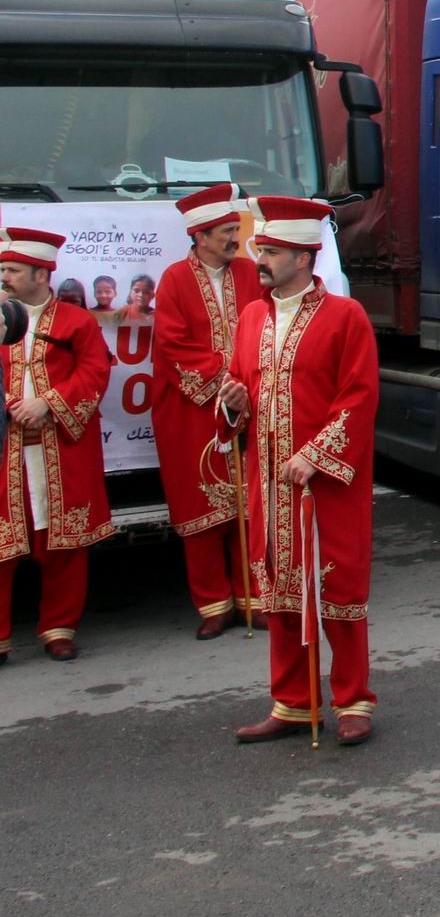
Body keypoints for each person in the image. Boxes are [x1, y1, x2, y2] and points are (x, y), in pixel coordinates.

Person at [219, 198, 382, 746]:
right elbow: (239, 390)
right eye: (260, 249)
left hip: (327, 485)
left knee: (336, 592)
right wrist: (233, 404)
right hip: (269, 480)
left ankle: (353, 699)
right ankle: (291, 701)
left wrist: (315, 454)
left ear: (304, 255)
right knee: (281, 596)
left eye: (270, 251)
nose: (259, 259)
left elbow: (358, 399)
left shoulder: (346, 316)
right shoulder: (250, 318)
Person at [153, 183, 266, 639]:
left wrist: (248, 380)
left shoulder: (250, 272)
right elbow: (172, 343)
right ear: (199, 236)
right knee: (201, 509)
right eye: (224, 230)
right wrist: (226, 378)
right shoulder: (174, 279)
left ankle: (254, 596)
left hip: (249, 402)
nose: (233, 238)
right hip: (192, 408)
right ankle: (213, 604)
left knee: (248, 504)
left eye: (233, 229)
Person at [0, 226, 113, 663]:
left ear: (41, 273)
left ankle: (58, 627)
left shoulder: (77, 321)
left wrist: (48, 402)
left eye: (11, 270)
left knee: (63, 542)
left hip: (60, 446)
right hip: (6, 444)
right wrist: (11, 403)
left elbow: (94, 372)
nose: (4, 277)